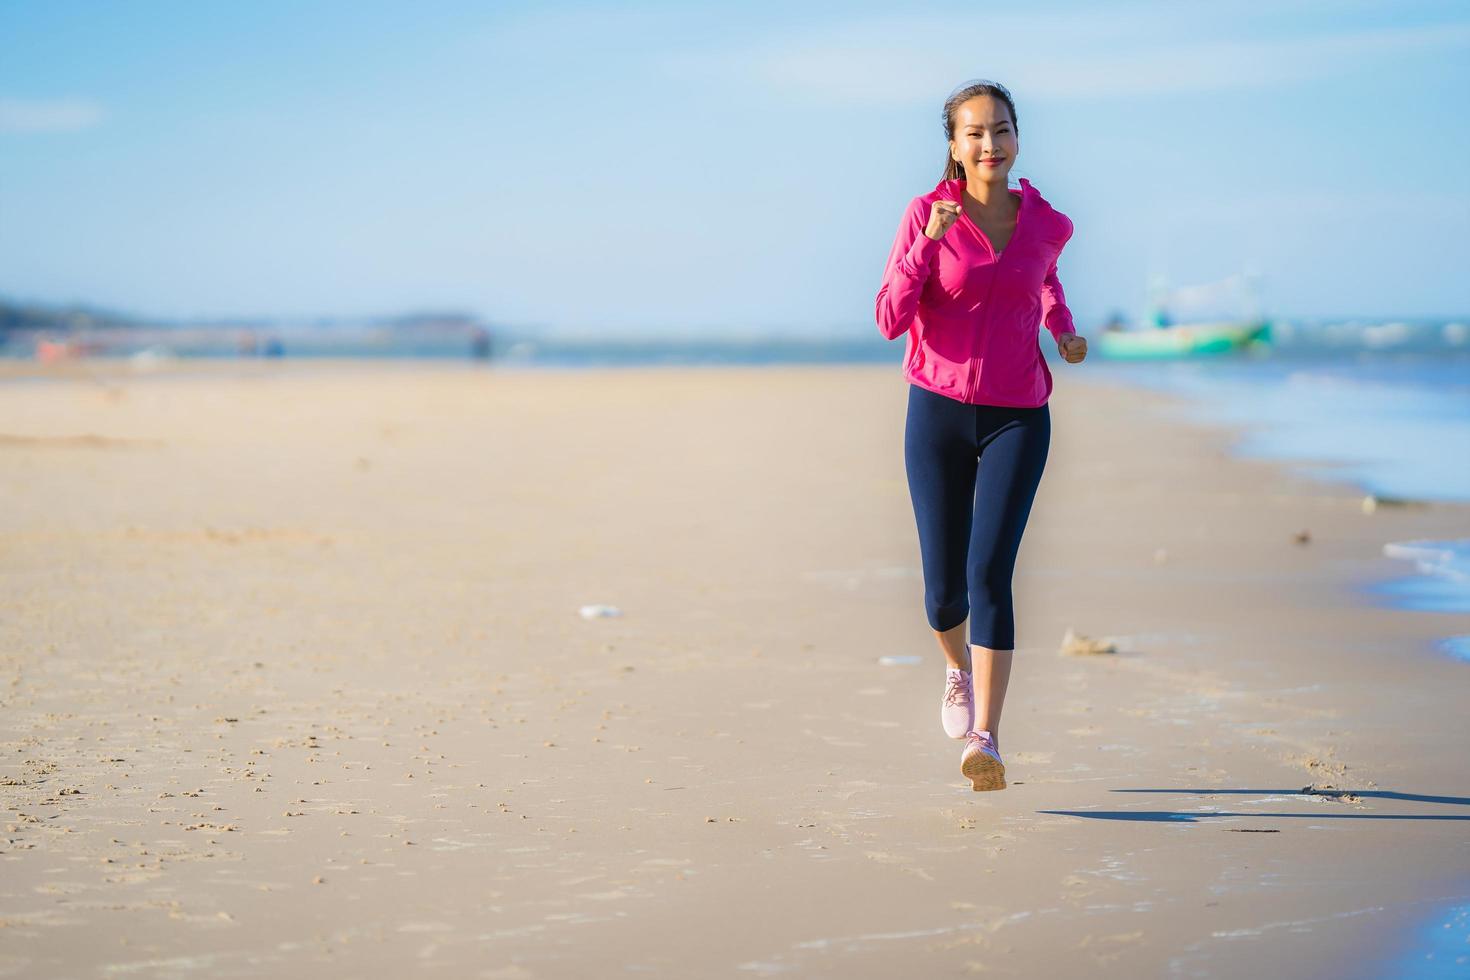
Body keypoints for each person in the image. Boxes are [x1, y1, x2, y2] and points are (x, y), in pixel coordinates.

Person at [874, 79, 1087, 792]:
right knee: (943, 596)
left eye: (1000, 130)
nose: (989, 144)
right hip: (935, 412)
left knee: (989, 574)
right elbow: (888, 319)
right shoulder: (925, 215)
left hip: (1018, 417)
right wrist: (924, 248)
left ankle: (986, 738)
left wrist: (1062, 330)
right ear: (954, 147)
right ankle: (956, 666)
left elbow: (1044, 280)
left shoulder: (1047, 223)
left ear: (1017, 138)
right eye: (974, 133)